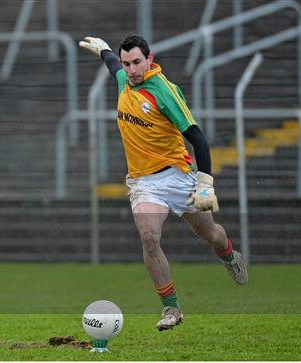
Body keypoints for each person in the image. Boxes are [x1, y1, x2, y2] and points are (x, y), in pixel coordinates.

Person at [79, 35, 248, 331]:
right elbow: (112, 65)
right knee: (148, 237)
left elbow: (197, 137)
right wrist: (104, 49)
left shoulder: (163, 91)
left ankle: (229, 255)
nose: (131, 70)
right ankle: (171, 307)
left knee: (211, 235)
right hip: (144, 183)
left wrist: (205, 184)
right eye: (127, 63)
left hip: (179, 176)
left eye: (137, 63)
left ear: (150, 59)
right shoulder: (124, 79)